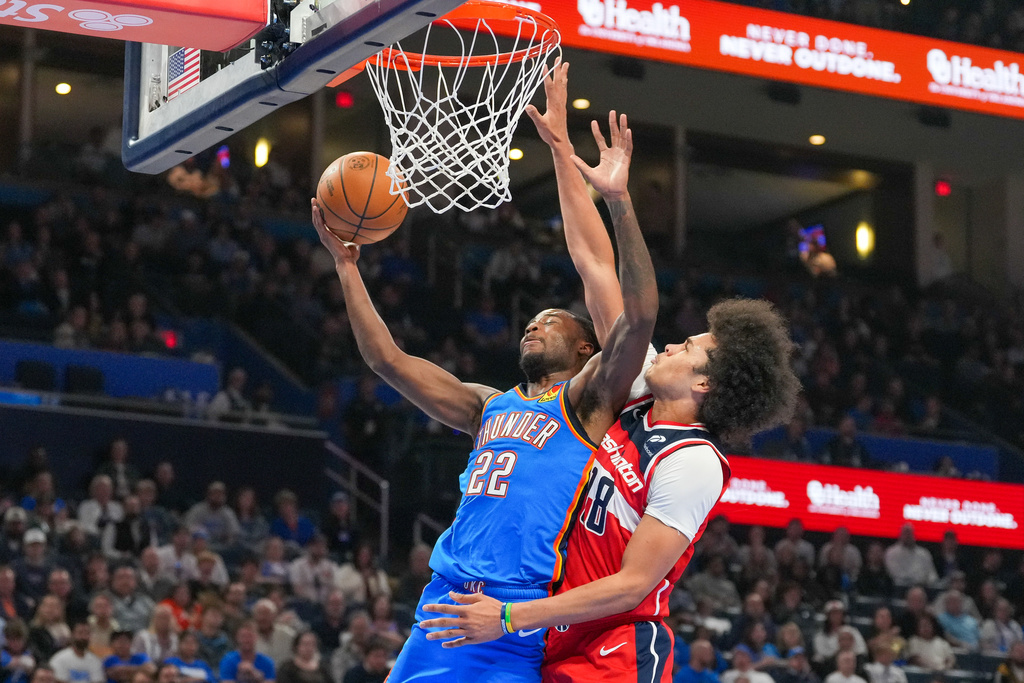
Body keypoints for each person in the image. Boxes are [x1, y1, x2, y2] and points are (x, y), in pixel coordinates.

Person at [418, 65, 798, 683]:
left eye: (689, 347)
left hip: (617, 650)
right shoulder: (638, 390)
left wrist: (510, 617)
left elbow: (632, 585)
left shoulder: (693, 463)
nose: (671, 344)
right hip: (554, 635)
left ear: (706, 385)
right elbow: (594, 262)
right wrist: (562, 151)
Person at [310, 67, 658, 683]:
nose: (533, 326)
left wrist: (609, 192)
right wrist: (346, 268)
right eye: (531, 321)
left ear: (586, 349)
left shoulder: (591, 400)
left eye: (551, 322)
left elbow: (630, 307)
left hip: (513, 614)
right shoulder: (486, 405)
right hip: (445, 600)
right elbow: (387, 360)